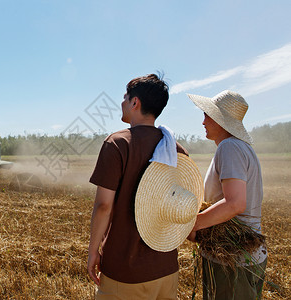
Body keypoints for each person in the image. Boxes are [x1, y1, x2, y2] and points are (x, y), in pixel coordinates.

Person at [87, 73, 188, 299]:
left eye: (125, 97)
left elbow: (104, 206)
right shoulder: (175, 148)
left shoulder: (118, 143)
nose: (122, 103)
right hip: (166, 268)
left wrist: (93, 250)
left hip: (125, 271)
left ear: (135, 102)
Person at [187, 90, 267, 300]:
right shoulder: (242, 148)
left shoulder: (229, 147)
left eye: (207, 115)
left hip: (232, 260)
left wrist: (195, 223)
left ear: (219, 119)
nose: (203, 121)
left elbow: (235, 204)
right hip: (246, 257)